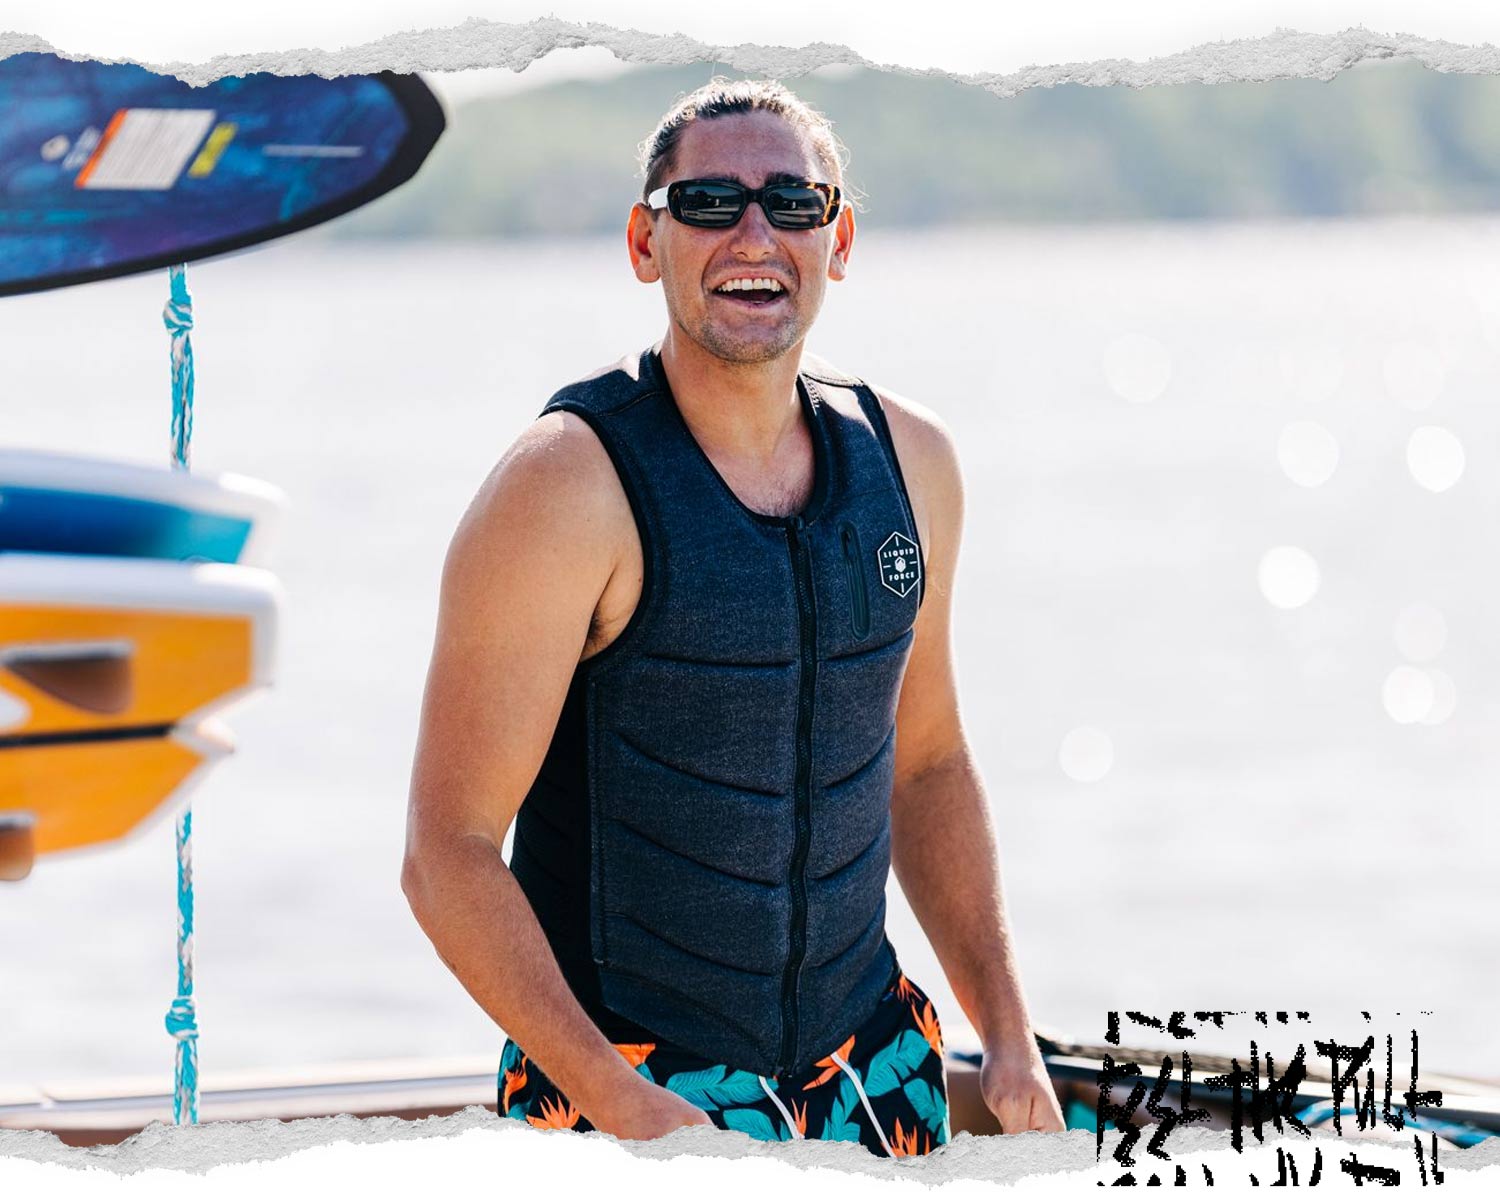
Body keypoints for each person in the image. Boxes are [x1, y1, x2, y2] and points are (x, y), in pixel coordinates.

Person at [401, 78, 1064, 1156]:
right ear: (645, 241)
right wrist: (626, 1106)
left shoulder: (912, 463)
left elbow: (928, 764)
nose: (755, 235)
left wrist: (1009, 1035)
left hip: (874, 1070)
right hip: (633, 1088)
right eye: (709, 202)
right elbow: (448, 854)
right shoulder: (562, 487)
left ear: (837, 240)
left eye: (792, 203)